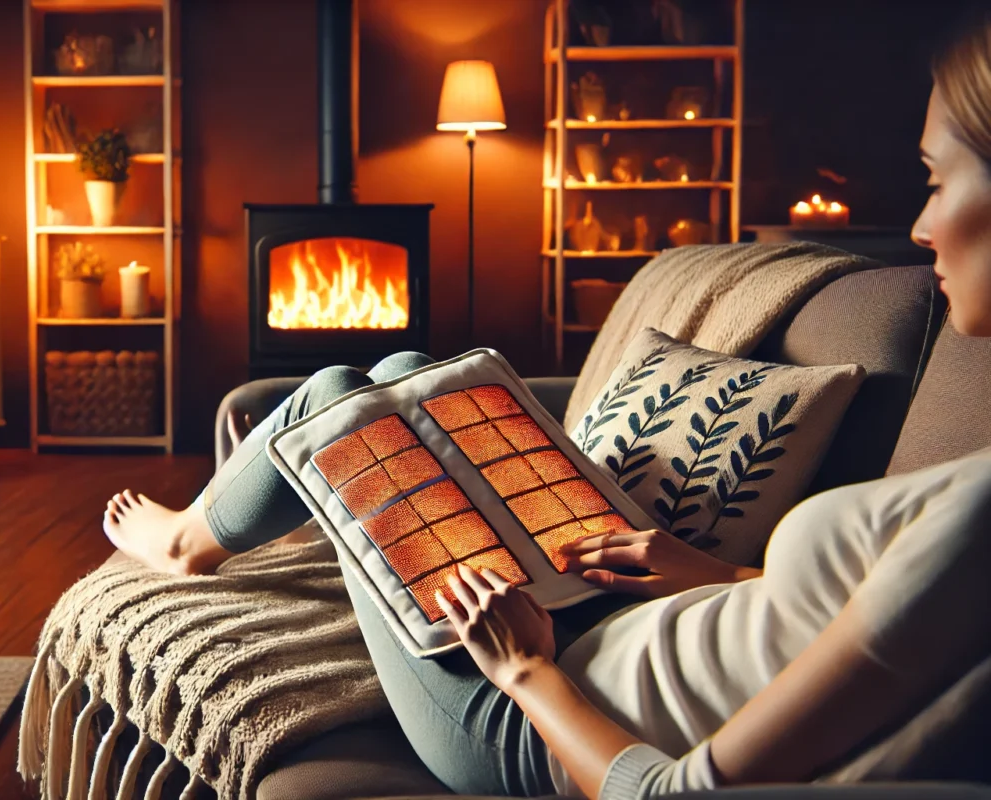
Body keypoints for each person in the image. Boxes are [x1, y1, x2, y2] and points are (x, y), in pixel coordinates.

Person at [103, 13, 991, 798]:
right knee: (412, 367)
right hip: (608, 615)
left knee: (340, 394)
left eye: (936, 180)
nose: (919, 226)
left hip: (536, 730)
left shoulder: (978, 521)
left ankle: (189, 543)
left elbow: (670, 792)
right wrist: (715, 575)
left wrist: (525, 670)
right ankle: (207, 530)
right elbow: (868, 618)